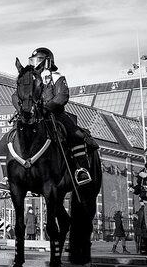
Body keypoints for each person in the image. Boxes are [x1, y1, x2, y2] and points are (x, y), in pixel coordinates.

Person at [24, 48, 97, 186]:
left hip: (55, 114)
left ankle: (82, 170)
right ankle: (9, 176)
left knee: (76, 136)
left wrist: (47, 108)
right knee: (9, 138)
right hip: (34, 116)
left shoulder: (57, 77)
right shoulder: (28, 79)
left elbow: (62, 96)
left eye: (37, 60)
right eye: (32, 60)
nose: (34, 64)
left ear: (47, 62)